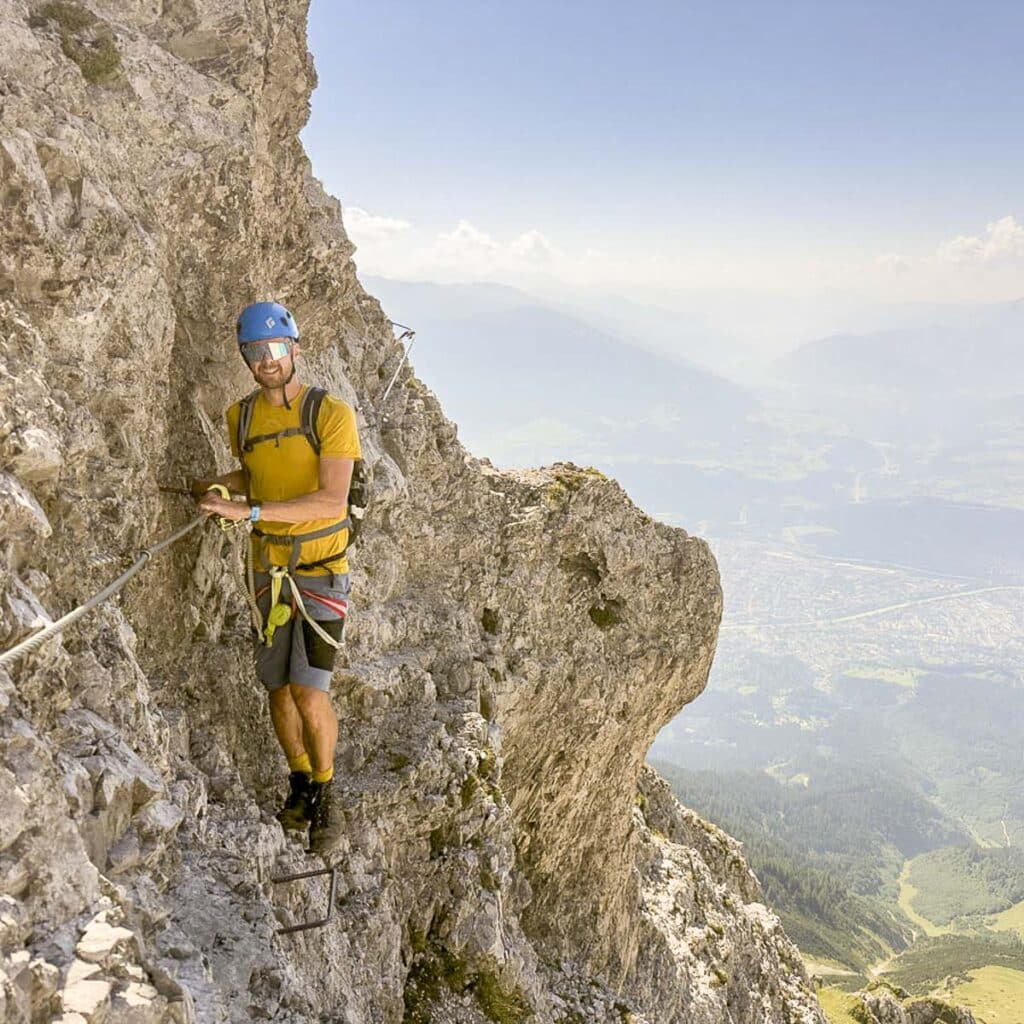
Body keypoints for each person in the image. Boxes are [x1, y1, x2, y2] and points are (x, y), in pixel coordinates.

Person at [192, 301, 360, 855]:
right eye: (254, 351)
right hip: (268, 570)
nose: (266, 360)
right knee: (279, 690)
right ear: (245, 358)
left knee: (310, 693)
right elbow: (255, 474)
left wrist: (252, 513)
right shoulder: (240, 418)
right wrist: (219, 487)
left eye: (275, 348)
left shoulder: (329, 413)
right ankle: (300, 783)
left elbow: (332, 500)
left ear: (294, 349)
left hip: (319, 570)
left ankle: (327, 794)